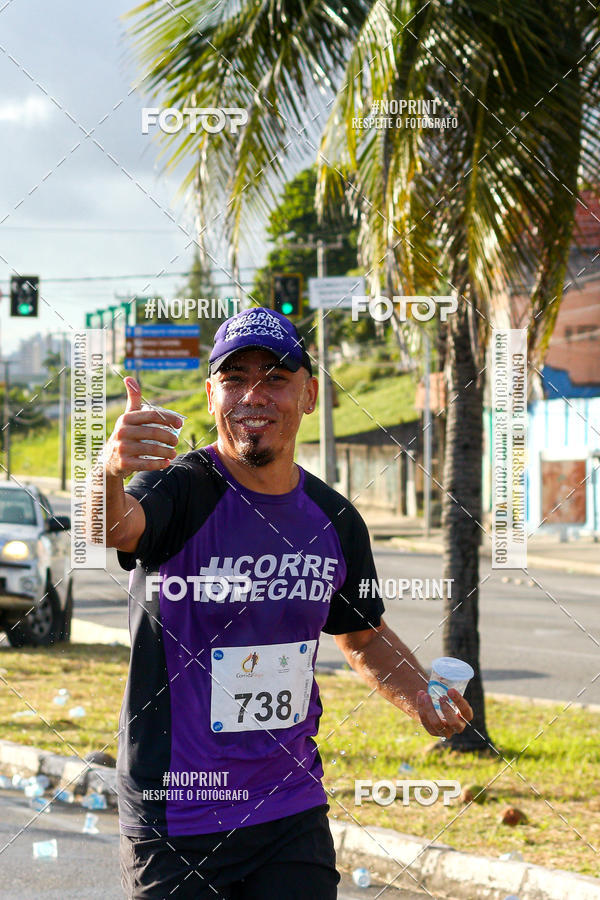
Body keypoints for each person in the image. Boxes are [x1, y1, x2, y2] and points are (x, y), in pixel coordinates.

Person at [102, 306, 473, 899]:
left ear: (309, 395)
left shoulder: (334, 519)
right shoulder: (179, 490)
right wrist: (110, 471)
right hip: (178, 816)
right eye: (235, 378)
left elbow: (363, 634)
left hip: (288, 807)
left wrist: (421, 694)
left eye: (275, 378)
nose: (254, 395)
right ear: (211, 396)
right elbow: (116, 527)